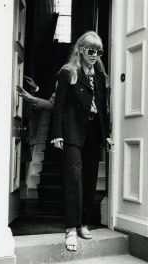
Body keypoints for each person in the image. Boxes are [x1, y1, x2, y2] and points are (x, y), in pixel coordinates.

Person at [51, 31, 113, 252]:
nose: (95, 55)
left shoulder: (101, 76)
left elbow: (104, 110)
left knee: (89, 180)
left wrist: (107, 133)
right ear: (81, 50)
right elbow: (58, 107)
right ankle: (70, 227)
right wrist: (57, 133)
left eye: (99, 51)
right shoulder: (68, 73)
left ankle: (83, 223)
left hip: (94, 132)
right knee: (73, 178)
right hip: (73, 132)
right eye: (91, 50)